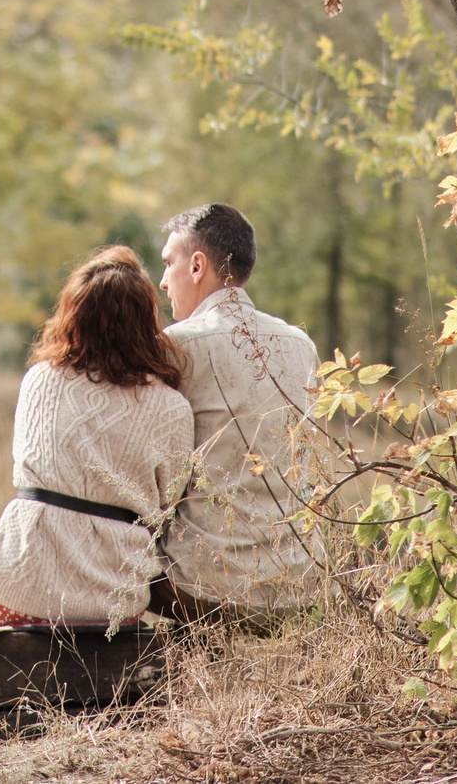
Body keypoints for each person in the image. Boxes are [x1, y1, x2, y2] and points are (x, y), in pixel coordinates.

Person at [0, 245, 192, 630]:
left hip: (17, 592)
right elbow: (169, 502)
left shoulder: (41, 379)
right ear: (145, 321)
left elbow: (27, 474)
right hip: (114, 602)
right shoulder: (172, 407)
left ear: (73, 314)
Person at [157, 202, 321, 617]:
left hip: (203, 589)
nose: (162, 282)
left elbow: (150, 477)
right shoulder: (302, 346)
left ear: (197, 266)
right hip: (300, 582)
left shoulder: (176, 346)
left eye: (168, 264)